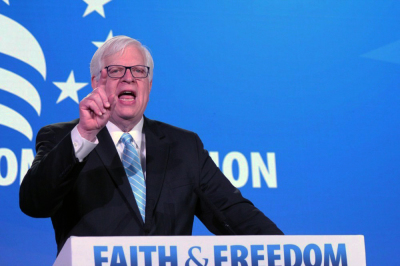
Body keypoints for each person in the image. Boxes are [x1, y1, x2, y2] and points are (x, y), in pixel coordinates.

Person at [19, 35, 283, 254]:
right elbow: (34, 203)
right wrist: (84, 134)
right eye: (115, 71)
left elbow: (233, 214)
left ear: (149, 84)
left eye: (138, 71)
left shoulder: (184, 146)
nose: (128, 78)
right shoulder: (61, 137)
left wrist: (293, 251)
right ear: (96, 82)